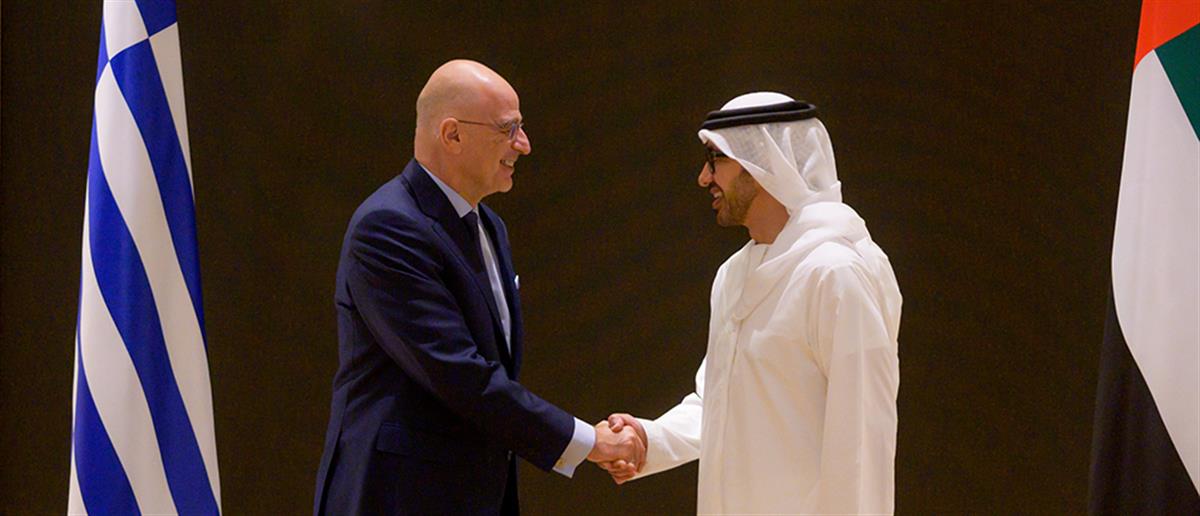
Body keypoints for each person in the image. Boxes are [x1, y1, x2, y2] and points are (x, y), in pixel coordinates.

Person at [312, 59, 645, 515]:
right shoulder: (388, 227)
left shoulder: (489, 225)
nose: (523, 145)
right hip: (398, 497)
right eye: (508, 129)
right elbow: (460, 374)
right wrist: (589, 441)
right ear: (452, 135)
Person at [602, 92, 902, 514]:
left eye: (716, 160)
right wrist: (649, 440)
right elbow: (719, 401)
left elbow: (862, 442)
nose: (704, 178)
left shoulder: (836, 273)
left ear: (762, 164)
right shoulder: (733, 274)